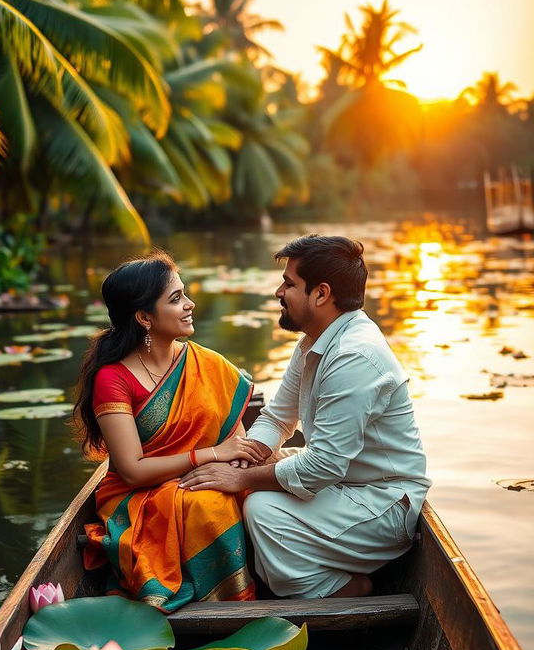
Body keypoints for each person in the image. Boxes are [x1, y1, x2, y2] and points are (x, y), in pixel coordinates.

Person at [181, 234, 431, 599]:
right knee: (252, 488)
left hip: (383, 504)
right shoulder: (315, 340)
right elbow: (278, 419)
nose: (279, 292)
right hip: (344, 485)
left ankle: (346, 588)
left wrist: (242, 479)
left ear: (321, 294)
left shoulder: (353, 356)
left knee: (262, 508)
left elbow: (323, 467)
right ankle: (318, 569)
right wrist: (243, 458)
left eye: (289, 284)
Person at [74, 252, 263, 611]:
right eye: (176, 299)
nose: (190, 304)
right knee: (206, 505)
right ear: (144, 317)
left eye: (185, 293)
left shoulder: (209, 364)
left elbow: (237, 443)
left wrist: (227, 468)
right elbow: (131, 470)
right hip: (140, 494)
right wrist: (211, 455)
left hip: (207, 475)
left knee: (260, 495)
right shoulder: (113, 379)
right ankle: (230, 604)